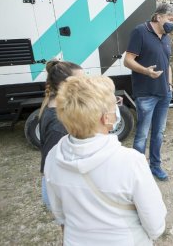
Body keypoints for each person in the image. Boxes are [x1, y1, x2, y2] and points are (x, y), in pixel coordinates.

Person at [44, 75, 166, 245]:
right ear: (105, 118)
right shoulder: (131, 162)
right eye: (114, 103)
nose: (117, 106)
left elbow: (59, 214)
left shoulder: (53, 157)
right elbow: (156, 225)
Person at [124, 3, 173, 181]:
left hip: (164, 94)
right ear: (158, 17)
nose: (172, 23)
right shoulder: (140, 32)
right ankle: (137, 171)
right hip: (146, 94)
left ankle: (155, 166)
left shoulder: (167, 38)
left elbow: (167, 63)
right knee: (142, 135)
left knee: (158, 133)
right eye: (170, 19)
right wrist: (146, 71)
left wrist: (169, 85)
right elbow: (128, 60)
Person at [38, 60, 83, 209]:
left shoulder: (55, 105)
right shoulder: (58, 123)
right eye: (80, 81)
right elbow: (52, 164)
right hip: (59, 189)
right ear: (64, 85)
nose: (85, 84)